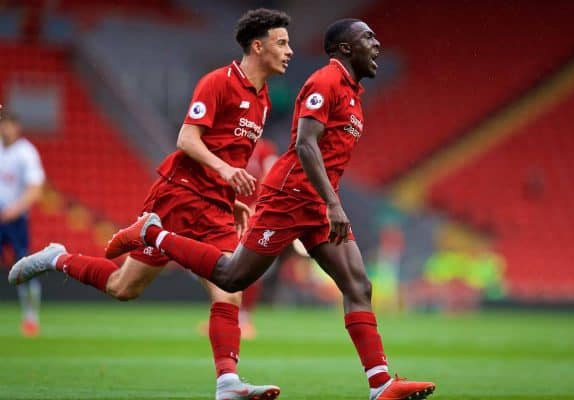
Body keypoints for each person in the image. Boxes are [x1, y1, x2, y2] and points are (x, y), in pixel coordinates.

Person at [109, 18, 436, 400]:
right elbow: (305, 145)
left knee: (358, 284)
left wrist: (328, 201)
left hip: (315, 200)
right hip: (289, 197)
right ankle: (153, 233)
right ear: (345, 48)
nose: (378, 45)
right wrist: (333, 203)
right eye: (368, 38)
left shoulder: (353, 94)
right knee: (232, 278)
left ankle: (380, 385)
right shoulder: (326, 82)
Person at [9, 8, 293, 400]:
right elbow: (187, 140)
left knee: (230, 287)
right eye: (281, 43)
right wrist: (227, 173)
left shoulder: (262, 102)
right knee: (123, 286)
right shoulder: (219, 83)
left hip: (216, 208)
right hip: (180, 196)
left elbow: (230, 152)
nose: (289, 51)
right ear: (257, 46)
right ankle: (57, 258)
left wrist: (231, 199)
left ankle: (227, 383)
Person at [197, 138, 279, 339]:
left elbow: (274, 178)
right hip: (223, 215)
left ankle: (243, 318)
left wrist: (258, 209)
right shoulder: (226, 145)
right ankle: (221, 314)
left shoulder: (265, 150)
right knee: (215, 266)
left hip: (251, 218)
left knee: (247, 267)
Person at [0, 107, 45, 337]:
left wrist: (12, 211)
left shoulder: (26, 152)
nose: (4, 128)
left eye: (7, 124)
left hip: (15, 221)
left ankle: (31, 317)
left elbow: (35, 189)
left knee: (22, 269)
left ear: (16, 127)